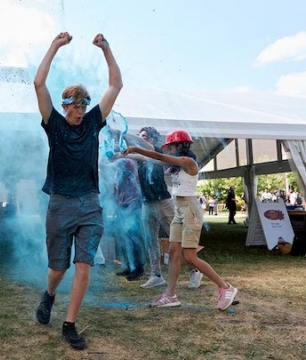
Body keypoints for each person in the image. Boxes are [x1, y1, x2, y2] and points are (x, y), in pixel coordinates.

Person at [33, 31, 122, 350]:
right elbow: (39, 84)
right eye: (75, 106)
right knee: (58, 268)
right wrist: (54, 45)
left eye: (84, 105)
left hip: (89, 204)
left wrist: (106, 49)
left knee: (84, 263)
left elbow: (115, 86)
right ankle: (49, 295)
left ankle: (69, 324)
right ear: (65, 105)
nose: (80, 111)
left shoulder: (93, 122)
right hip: (59, 204)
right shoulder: (53, 123)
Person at [123, 130, 238, 310]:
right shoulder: (176, 164)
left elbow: (155, 155)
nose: (168, 150)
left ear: (180, 146)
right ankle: (170, 295)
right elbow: (150, 159)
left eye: (170, 146)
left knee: (190, 256)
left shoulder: (188, 162)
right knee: (174, 253)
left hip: (190, 210)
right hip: (179, 209)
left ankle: (225, 287)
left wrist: (136, 148)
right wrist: (131, 154)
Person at [126, 127, 203, 290]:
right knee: (150, 240)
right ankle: (156, 275)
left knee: (178, 242)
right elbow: (143, 156)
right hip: (147, 202)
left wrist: (125, 135)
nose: (142, 139)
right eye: (141, 137)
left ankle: (194, 271)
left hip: (165, 202)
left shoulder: (160, 153)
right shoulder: (159, 158)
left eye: (146, 137)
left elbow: (154, 154)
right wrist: (124, 154)